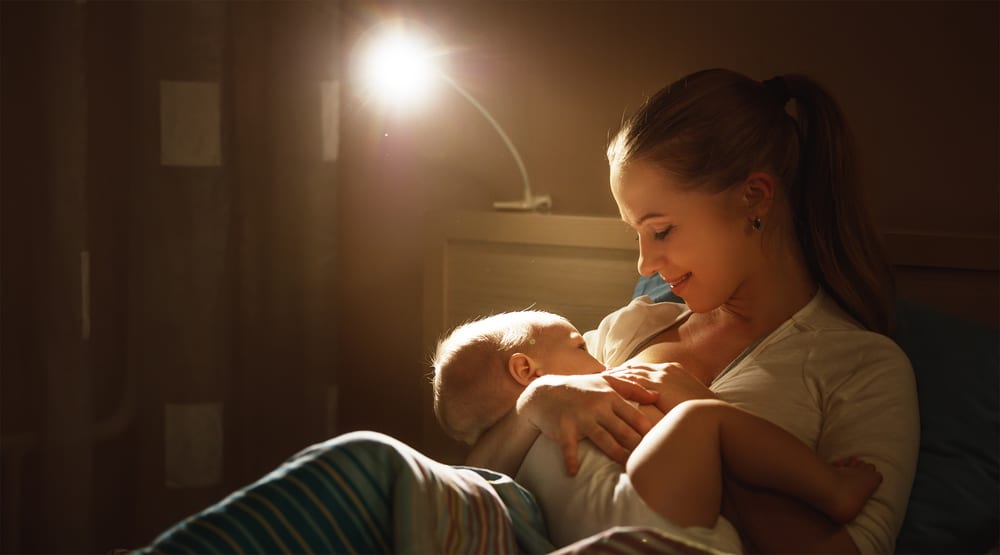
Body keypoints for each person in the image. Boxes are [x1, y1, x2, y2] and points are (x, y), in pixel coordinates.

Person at [466, 69, 919, 554]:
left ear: (754, 198)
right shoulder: (631, 328)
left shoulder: (861, 368)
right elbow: (471, 478)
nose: (644, 263)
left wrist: (700, 416)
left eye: (661, 231)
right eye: (635, 234)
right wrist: (534, 402)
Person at [431, 308, 883, 551]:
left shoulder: (513, 463)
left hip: (596, 531)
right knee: (701, 419)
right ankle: (831, 486)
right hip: (639, 509)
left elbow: (469, 474)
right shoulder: (588, 393)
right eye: (580, 345)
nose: (602, 360)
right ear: (525, 369)